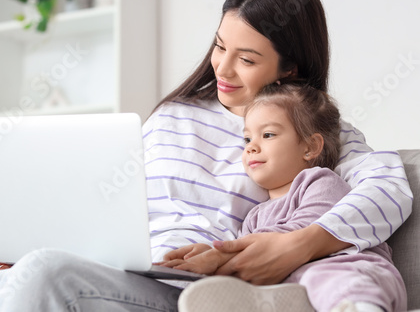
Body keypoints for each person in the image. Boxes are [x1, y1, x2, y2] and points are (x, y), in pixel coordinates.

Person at [0, 0, 412, 311]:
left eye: (246, 59)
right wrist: (39, 240)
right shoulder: (172, 115)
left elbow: (389, 190)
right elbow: (108, 207)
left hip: (190, 288)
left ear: (288, 68)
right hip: (122, 270)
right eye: (220, 47)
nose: (222, 69)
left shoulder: (308, 132)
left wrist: (296, 245)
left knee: (45, 274)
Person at [160, 82, 407, 312]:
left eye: (267, 135)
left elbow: (302, 227)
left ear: (310, 147)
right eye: (247, 138)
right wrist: (207, 252)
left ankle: (361, 307)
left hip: (351, 271)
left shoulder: (320, 181)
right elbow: (248, 257)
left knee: (323, 276)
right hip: (292, 286)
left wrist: (220, 256)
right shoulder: (254, 216)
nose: (251, 147)